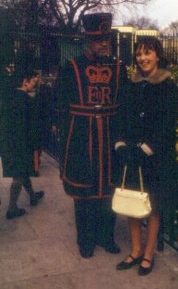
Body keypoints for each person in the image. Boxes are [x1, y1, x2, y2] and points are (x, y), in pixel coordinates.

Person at [54, 13, 128, 258]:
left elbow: (125, 102)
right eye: (99, 40)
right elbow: (60, 104)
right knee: (84, 193)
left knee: (109, 190)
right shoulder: (72, 67)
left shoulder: (119, 68)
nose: (104, 44)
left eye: (106, 39)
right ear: (88, 40)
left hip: (109, 135)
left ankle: (106, 237)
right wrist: (66, 138)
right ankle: (85, 240)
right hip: (81, 137)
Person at [115, 36, 178, 276]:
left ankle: (148, 254)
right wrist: (120, 144)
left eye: (148, 53)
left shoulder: (167, 85)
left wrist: (147, 148)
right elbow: (122, 115)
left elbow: (167, 123)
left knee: (152, 206)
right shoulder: (132, 84)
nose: (142, 58)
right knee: (132, 202)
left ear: (158, 56)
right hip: (132, 153)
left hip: (155, 157)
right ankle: (135, 250)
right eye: (139, 54)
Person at [1, 68, 45, 219]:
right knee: (18, 175)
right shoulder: (27, 100)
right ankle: (12, 208)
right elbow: (32, 126)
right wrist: (36, 145)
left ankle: (32, 196)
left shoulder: (9, 97)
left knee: (22, 170)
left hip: (8, 141)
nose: (35, 84)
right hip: (21, 143)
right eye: (33, 81)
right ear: (25, 82)